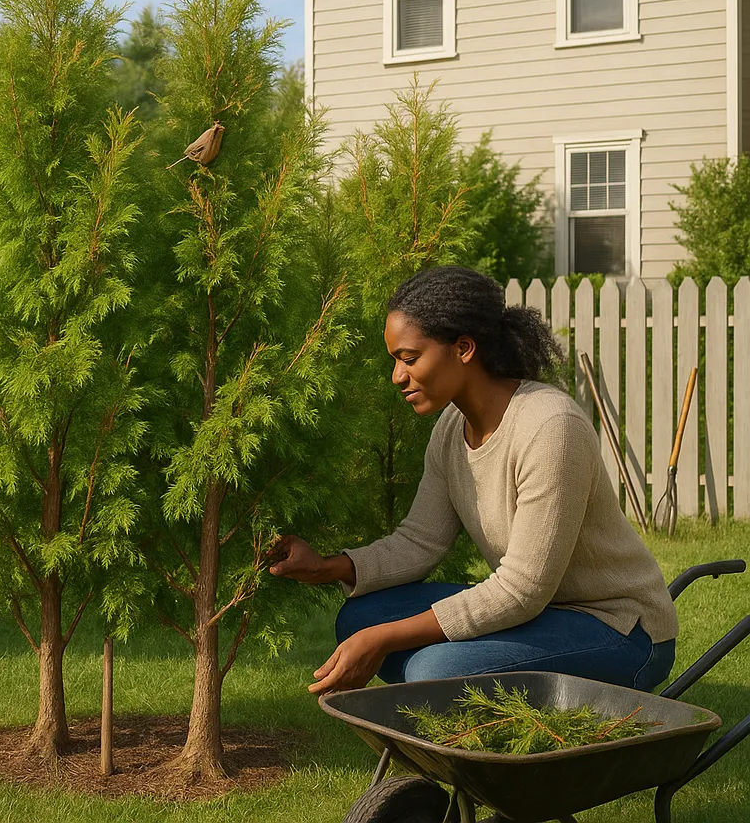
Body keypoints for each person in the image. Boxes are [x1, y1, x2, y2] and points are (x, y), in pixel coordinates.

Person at [269, 265, 677, 695]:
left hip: (619, 630)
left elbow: (521, 590)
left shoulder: (551, 427)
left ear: (463, 348)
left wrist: (384, 640)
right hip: (541, 615)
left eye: (409, 359)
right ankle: (437, 690)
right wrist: (328, 567)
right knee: (360, 618)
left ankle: (435, 691)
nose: (397, 376)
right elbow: (419, 542)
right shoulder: (450, 429)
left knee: (433, 668)